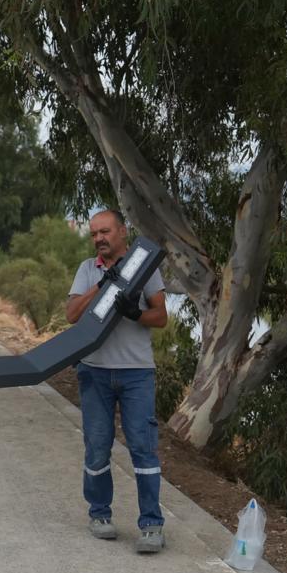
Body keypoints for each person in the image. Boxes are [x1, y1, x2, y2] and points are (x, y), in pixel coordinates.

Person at [64, 209, 170, 554]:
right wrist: (102, 285)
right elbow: (72, 314)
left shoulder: (144, 268)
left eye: (105, 232)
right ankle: (99, 515)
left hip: (136, 372)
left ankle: (152, 525)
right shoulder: (86, 269)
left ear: (122, 232)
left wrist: (136, 313)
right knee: (97, 447)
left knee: (143, 448)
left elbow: (162, 317)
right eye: (94, 233)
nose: (99, 239)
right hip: (94, 371)